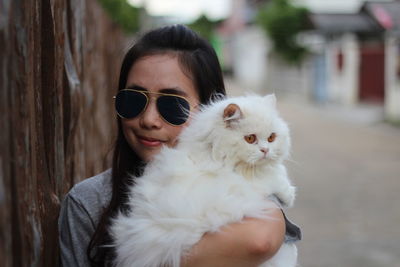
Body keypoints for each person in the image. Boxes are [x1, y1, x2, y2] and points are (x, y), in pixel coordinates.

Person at [58, 24, 301, 267]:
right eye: (133, 100)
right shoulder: (87, 202)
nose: (148, 120)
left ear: (210, 111)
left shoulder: (248, 174)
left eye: (172, 105)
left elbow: (260, 241)